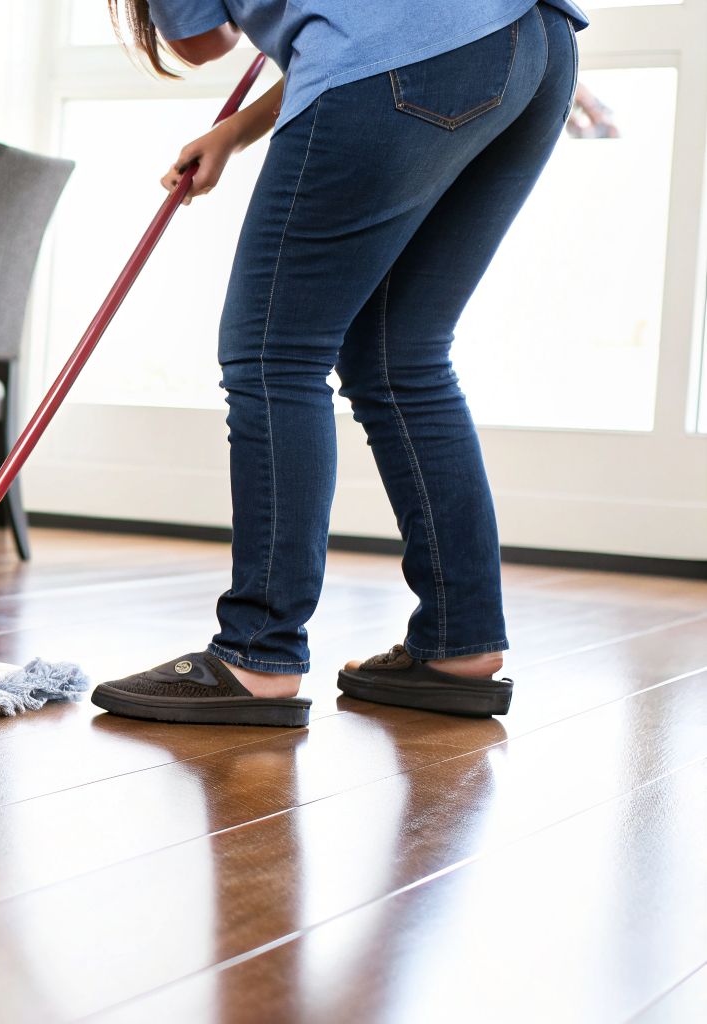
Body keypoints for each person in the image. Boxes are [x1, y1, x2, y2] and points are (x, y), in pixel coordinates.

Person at [88, 0, 587, 728]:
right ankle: (460, 644)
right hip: (533, 44)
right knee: (402, 356)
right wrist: (236, 130)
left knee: (274, 354)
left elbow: (202, 42)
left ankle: (256, 653)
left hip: (410, 60)